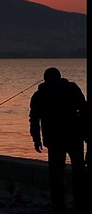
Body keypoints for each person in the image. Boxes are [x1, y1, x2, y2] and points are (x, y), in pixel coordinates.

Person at [29, 67, 87, 214]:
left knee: (56, 174)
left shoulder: (39, 95)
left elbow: (34, 120)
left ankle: (59, 206)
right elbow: (85, 110)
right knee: (79, 172)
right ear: (60, 77)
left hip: (54, 139)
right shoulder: (72, 89)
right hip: (74, 136)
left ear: (45, 79)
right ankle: (80, 203)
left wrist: (36, 139)